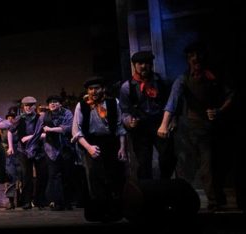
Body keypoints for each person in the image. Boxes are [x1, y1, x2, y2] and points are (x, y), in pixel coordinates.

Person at [157, 43, 234, 211]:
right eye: (192, 55)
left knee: (217, 164)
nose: (196, 59)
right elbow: (172, 103)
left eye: (198, 55)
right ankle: (201, 201)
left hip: (216, 128)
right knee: (196, 166)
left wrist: (219, 111)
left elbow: (231, 95)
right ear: (188, 59)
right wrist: (164, 124)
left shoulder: (214, 77)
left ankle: (217, 199)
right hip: (192, 130)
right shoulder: (182, 79)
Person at [72, 77, 128, 222]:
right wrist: (89, 148)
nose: (93, 91)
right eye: (90, 89)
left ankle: (113, 212)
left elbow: (119, 126)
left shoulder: (112, 102)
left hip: (110, 142)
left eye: (96, 88)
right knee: (95, 178)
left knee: (113, 177)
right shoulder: (82, 105)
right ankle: (97, 212)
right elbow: (76, 131)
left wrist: (122, 147)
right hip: (91, 142)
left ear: (103, 89)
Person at [120, 51, 175, 180]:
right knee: (144, 164)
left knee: (168, 158)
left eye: (147, 63)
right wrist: (129, 121)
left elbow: (172, 103)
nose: (144, 66)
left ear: (151, 64)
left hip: (160, 124)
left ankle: (164, 184)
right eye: (140, 63)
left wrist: (172, 120)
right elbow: (124, 111)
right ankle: (147, 192)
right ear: (134, 65)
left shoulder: (161, 81)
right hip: (140, 127)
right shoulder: (127, 87)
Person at [7, 96, 45, 210]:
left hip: (39, 150)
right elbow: (10, 131)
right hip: (23, 150)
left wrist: (30, 137)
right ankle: (27, 201)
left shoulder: (40, 118)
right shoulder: (19, 118)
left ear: (34, 106)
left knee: (41, 176)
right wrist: (10, 147)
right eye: (26, 106)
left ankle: (39, 201)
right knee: (26, 176)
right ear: (24, 107)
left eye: (30, 105)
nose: (28, 108)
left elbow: (44, 134)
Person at [41, 95, 75, 211]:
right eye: (50, 102)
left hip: (66, 147)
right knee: (53, 175)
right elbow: (39, 131)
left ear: (60, 104)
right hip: (50, 148)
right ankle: (56, 202)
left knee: (67, 174)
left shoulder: (67, 113)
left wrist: (51, 130)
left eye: (55, 102)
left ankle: (68, 201)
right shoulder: (45, 115)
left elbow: (69, 128)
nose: (52, 104)